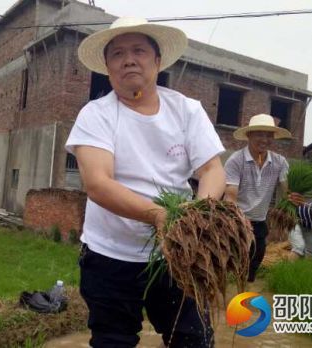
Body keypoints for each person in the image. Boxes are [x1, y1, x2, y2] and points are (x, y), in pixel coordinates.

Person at [66, 17, 226, 348]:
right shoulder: (96, 115)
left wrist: (199, 213)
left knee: (193, 339)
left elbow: (211, 169)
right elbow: (97, 183)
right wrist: (157, 215)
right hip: (110, 257)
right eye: (118, 54)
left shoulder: (186, 110)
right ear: (108, 68)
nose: (129, 59)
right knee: (113, 341)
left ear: (157, 60)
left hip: (176, 255)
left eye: (139, 50)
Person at [223, 114, 291, 283]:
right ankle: (224, 290)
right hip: (237, 220)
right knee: (232, 259)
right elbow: (230, 195)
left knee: (256, 257)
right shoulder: (236, 161)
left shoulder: (280, 162)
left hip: (259, 220)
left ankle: (244, 291)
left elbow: (286, 191)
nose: (265, 139)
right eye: (260, 134)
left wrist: (290, 204)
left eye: (269, 135)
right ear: (249, 135)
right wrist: (234, 222)